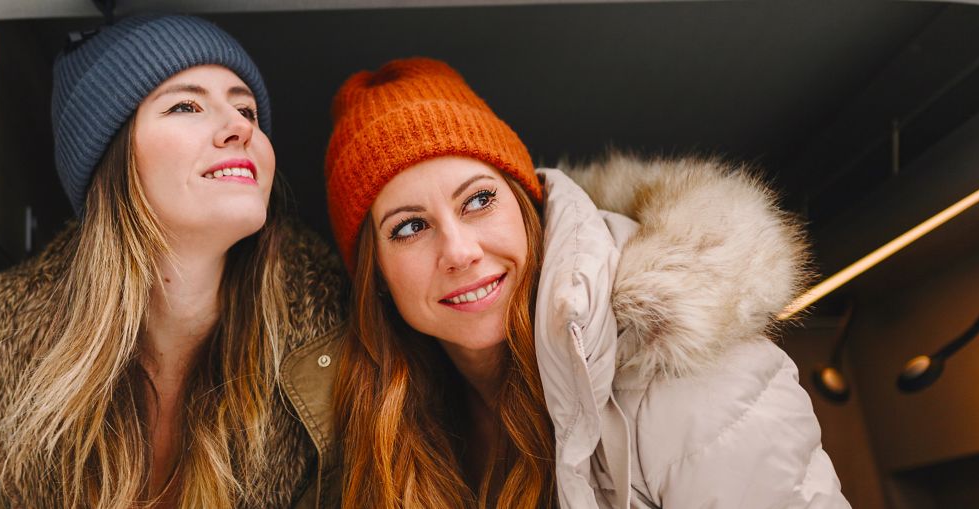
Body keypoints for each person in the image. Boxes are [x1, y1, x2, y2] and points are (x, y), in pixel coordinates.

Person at [324, 57, 848, 508]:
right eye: (410, 227)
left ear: (527, 207)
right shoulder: (387, 427)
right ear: (378, 278)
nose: (460, 251)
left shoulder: (678, 362)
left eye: (479, 199)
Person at [0, 14, 345, 508]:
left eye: (247, 109)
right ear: (111, 161)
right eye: (186, 104)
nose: (239, 126)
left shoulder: (338, 359)